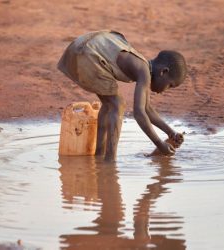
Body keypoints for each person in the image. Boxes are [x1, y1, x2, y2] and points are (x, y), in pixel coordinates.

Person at [57, 30, 186, 161]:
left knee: (109, 105)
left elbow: (147, 109)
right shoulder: (144, 72)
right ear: (163, 72)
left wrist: (171, 133)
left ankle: (99, 156)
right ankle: (110, 161)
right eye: (170, 85)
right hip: (87, 54)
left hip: (79, 49)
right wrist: (159, 144)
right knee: (117, 104)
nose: (165, 90)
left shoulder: (142, 66)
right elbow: (139, 114)